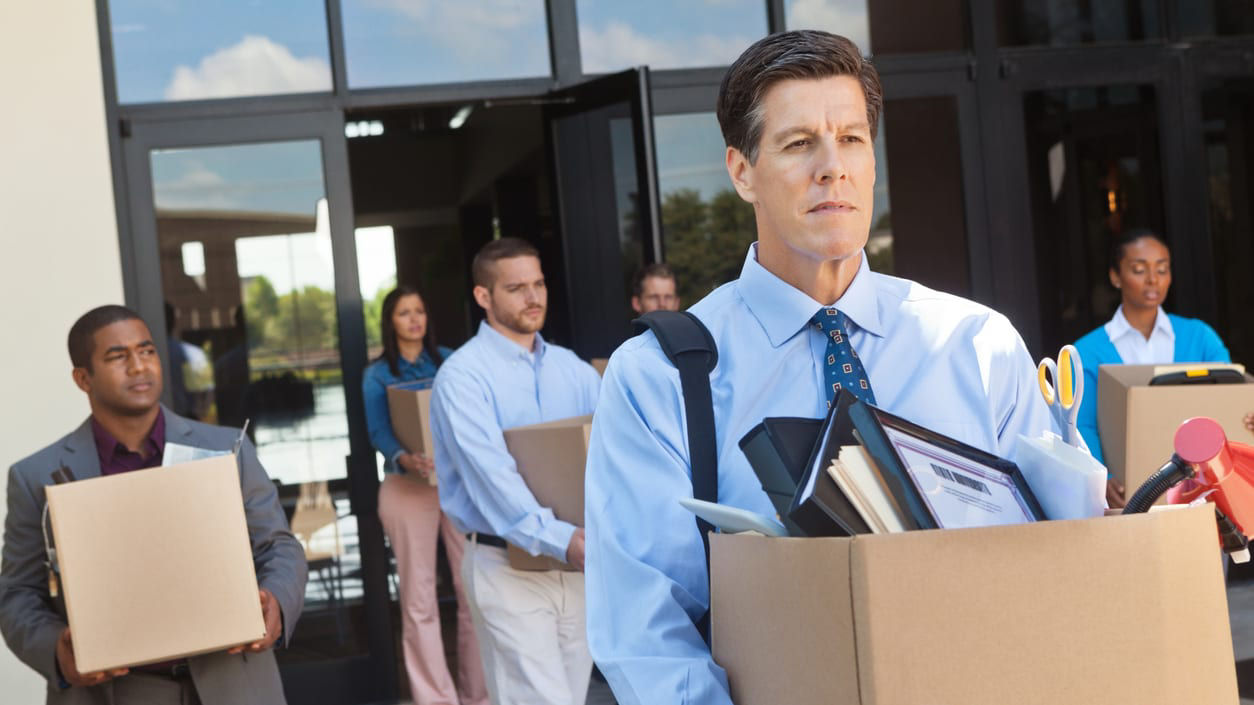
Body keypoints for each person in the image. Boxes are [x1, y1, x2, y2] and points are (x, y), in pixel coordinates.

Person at [583, 30, 1060, 704]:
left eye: (853, 139)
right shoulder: (660, 375)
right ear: (742, 170)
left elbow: (1061, 557)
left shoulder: (977, 345)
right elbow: (645, 631)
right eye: (799, 142)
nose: (831, 166)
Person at [0, 305, 307, 704]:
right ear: (82, 378)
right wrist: (56, 649)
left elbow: (279, 547)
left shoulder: (226, 449)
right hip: (113, 693)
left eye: (146, 351)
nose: (139, 366)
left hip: (232, 683)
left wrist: (277, 602)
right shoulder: (34, 476)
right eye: (117, 356)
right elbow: (17, 594)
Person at [429, 237, 601, 705]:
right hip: (507, 569)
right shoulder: (462, 378)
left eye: (539, 284)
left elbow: (612, 459)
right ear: (484, 297)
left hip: (580, 568)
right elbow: (492, 476)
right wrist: (563, 539)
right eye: (517, 287)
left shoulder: (578, 373)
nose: (534, 297)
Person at [361, 285, 487, 705]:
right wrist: (403, 458)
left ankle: (478, 696)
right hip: (406, 489)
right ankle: (435, 699)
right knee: (418, 601)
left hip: (455, 486)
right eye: (403, 313)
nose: (414, 319)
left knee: (472, 592)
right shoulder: (377, 374)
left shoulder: (451, 361)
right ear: (390, 322)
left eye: (419, 311)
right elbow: (378, 430)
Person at [1073, 228, 1237, 506]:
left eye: (1162, 270)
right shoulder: (1086, 351)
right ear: (1115, 276)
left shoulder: (1199, 336)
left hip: (1202, 494)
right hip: (1128, 496)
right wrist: (1100, 476)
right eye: (1139, 269)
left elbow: (1232, 396)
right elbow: (1082, 424)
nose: (1153, 280)